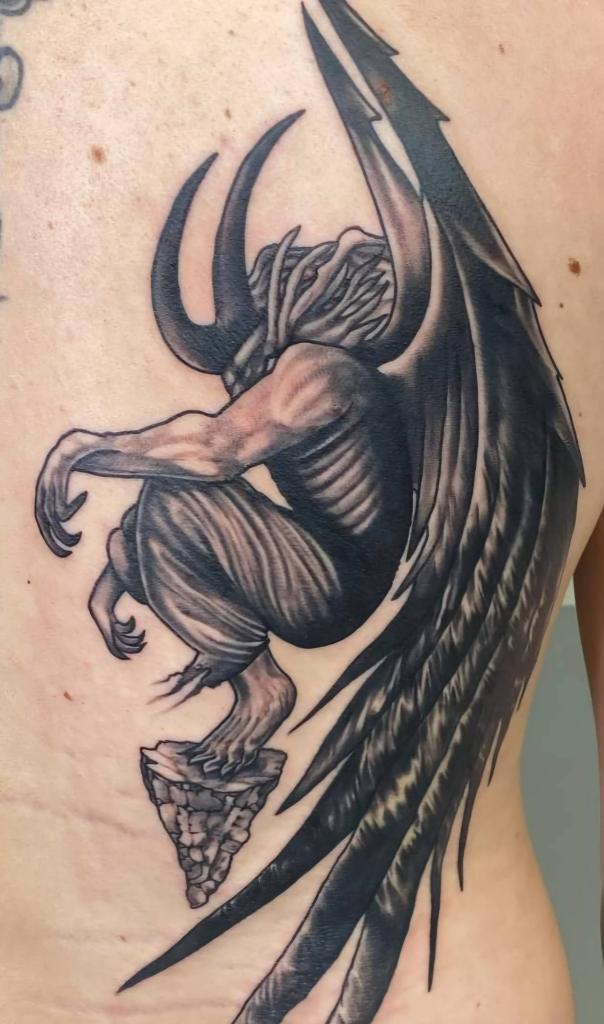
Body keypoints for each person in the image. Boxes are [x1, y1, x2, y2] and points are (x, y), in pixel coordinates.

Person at [2, 2, 603, 1022]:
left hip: (328, 584)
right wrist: (118, 569)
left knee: (175, 490)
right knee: (169, 508)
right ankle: (258, 691)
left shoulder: (321, 374)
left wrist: (82, 450)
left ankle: (259, 694)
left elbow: (212, 450)